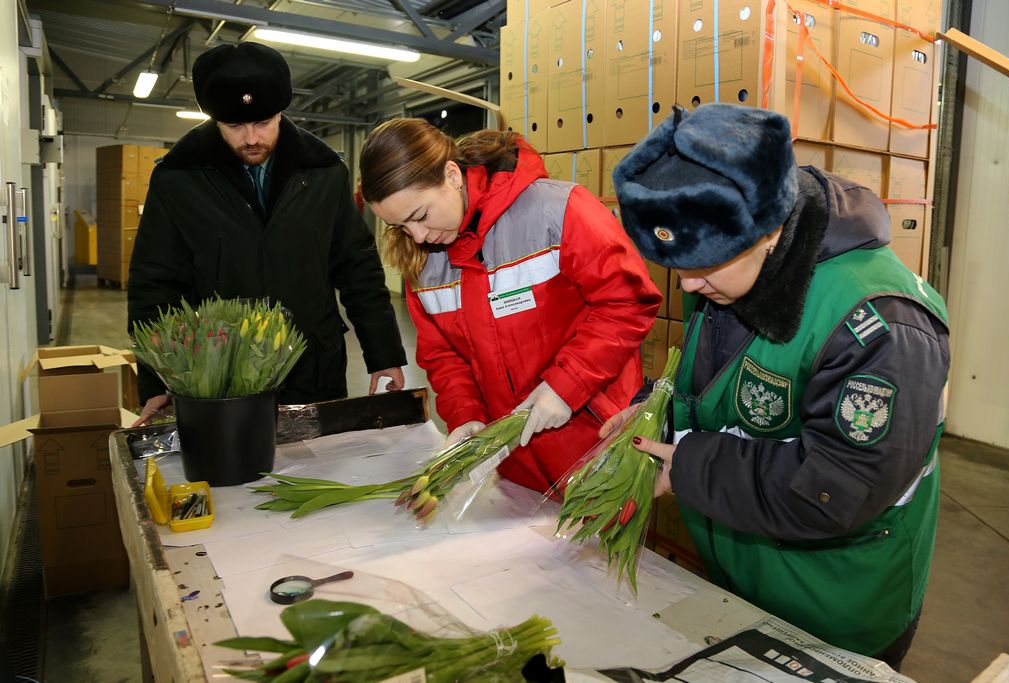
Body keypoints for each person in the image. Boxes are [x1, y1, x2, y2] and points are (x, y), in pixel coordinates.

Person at [608, 103, 950, 669]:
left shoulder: (882, 324)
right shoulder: (731, 266)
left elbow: (838, 486)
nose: (688, 284)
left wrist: (689, 466)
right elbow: (724, 390)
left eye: (704, 265)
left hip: (835, 602)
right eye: (677, 266)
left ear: (770, 229)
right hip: (746, 574)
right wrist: (655, 416)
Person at [358, 118, 662, 493]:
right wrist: (465, 415)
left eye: (420, 216)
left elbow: (628, 300)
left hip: (596, 441)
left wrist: (567, 385)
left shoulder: (556, 210)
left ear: (452, 175)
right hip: (514, 461)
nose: (418, 236)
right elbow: (443, 356)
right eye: (401, 228)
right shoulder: (423, 261)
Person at [128, 42, 406, 424]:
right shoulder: (178, 178)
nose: (251, 138)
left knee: (315, 470)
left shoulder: (323, 171)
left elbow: (357, 267)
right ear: (213, 120)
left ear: (281, 112)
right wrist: (155, 380)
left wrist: (384, 354)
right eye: (235, 126)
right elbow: (153, 284)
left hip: (313, 365)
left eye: (263, 123)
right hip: (219, 373)